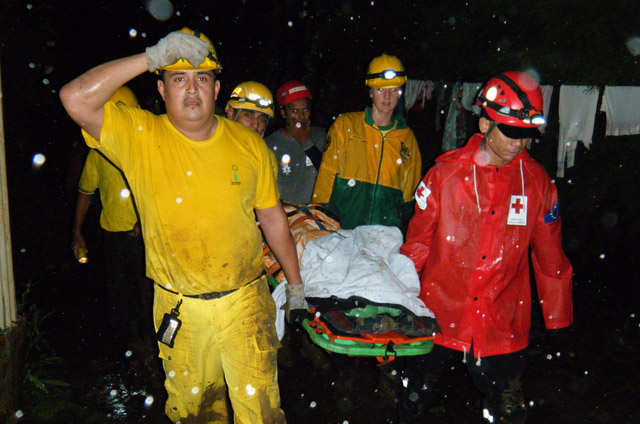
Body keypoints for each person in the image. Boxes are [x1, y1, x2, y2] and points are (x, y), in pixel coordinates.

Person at [60, 27, 306, 423]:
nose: (192, 89)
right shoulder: (140, 135)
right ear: (161, 89)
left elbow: (272, 216)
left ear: (217, 87)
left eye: (202, 78)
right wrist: (150, 56)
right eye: (179, 78)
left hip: (246, 300)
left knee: (260, 412)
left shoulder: (250, 145)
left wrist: (295, 285)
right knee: (195, 415)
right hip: (180, 309)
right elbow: (74, 98)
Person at [398, 71, 573, 423]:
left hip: (501, 322)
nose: (517, 144)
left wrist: (558, 320)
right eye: (510, 132)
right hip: (438, 314)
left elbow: (550, 258)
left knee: (508, 412)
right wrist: (397, 301)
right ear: (484, 125)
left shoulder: (537, 184)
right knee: (414, 401)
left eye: (526, 135)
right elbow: (416, 245)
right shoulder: (443, 176)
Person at [71, 86, 156, 360]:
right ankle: (128, 349)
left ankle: (154, 350)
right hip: (114, 236)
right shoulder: (99, 151)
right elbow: (86, 192)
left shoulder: (148, 147)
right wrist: (77, 231)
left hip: (145, 236)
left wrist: (146, 220)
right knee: (120, 295)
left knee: (149, 294)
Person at [312, 54, 422, 230]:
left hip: (385, 237)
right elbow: (325, 181)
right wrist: (318, 222)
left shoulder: (408, 139)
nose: (387, 96)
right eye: (380, 90)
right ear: (370, 92)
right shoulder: (345, 126)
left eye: (393, 90)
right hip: (342, 231)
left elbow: (408, 200)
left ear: (401, 92)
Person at [266, 81, 325, 205]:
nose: (301, 116)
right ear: (283, 113)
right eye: (295, 111)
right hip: (286, 215)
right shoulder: (269, 144)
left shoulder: (321, 137)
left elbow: (329, 173)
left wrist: (305, 141)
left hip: (317, 215)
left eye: (305, 110)